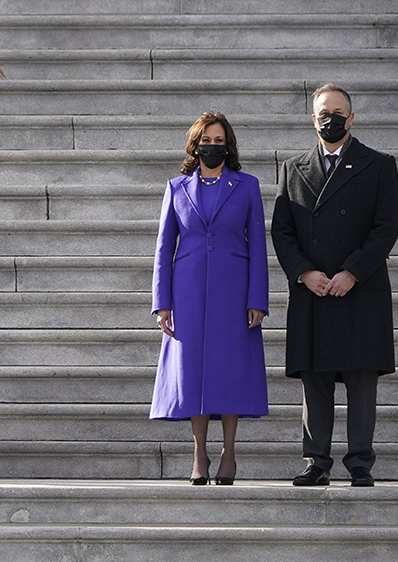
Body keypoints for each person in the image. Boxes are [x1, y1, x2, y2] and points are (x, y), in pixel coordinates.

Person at [271, 83, 398, 487]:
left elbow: (386, 227)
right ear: (313, 118)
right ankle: (317, 461)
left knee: (362, 379)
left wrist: (353, 271)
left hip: (360, 287)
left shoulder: (379, 164)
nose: (332, 119)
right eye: (324, 112)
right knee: (316, 379)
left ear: (352, 116)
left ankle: (360, 462)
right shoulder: (293, 168)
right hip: (314, 289)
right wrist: (305, 272)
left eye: (339, 112)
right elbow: (282, 231)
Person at [151, 111, 269, 486]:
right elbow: (163, 247)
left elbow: (259, 249)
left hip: (234, 291)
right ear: (195, 144)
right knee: (193, 372)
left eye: (219, 141)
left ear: (228, 145)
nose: (212, 146)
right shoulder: (176, 187)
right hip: (187, 292)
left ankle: (229, 451)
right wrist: (161, 302)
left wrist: (258, 299)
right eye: (206, 140)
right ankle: (199, 452)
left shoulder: (247, 186)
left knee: (230, 370)